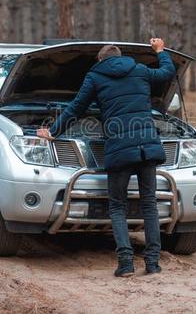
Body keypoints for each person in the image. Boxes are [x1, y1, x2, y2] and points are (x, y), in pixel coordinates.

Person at [37, 38, 176, 277]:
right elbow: (166, 72)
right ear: (120, 56)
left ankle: (125, 264)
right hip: (147, 146)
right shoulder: (140, 70)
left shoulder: (95, 77)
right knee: (149, 204)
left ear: (100, 60)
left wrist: (52, 132)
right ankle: (152, 263)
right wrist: (160, 51)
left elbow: (76, 107)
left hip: (120, 148)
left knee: (118, 206)